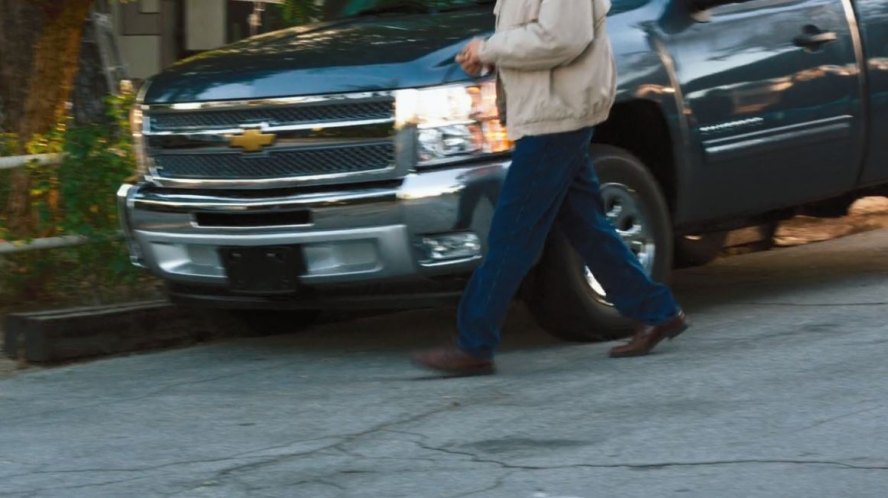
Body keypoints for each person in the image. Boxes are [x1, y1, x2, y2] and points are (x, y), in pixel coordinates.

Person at [412, 0, 687, 376]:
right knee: (585, 225)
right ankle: (656, 311)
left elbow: (560, 39)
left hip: (555, 119)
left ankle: (474, 343)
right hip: (548, 113)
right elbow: (536, 34)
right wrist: (489, 54)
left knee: (513, 233)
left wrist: (489, 49)